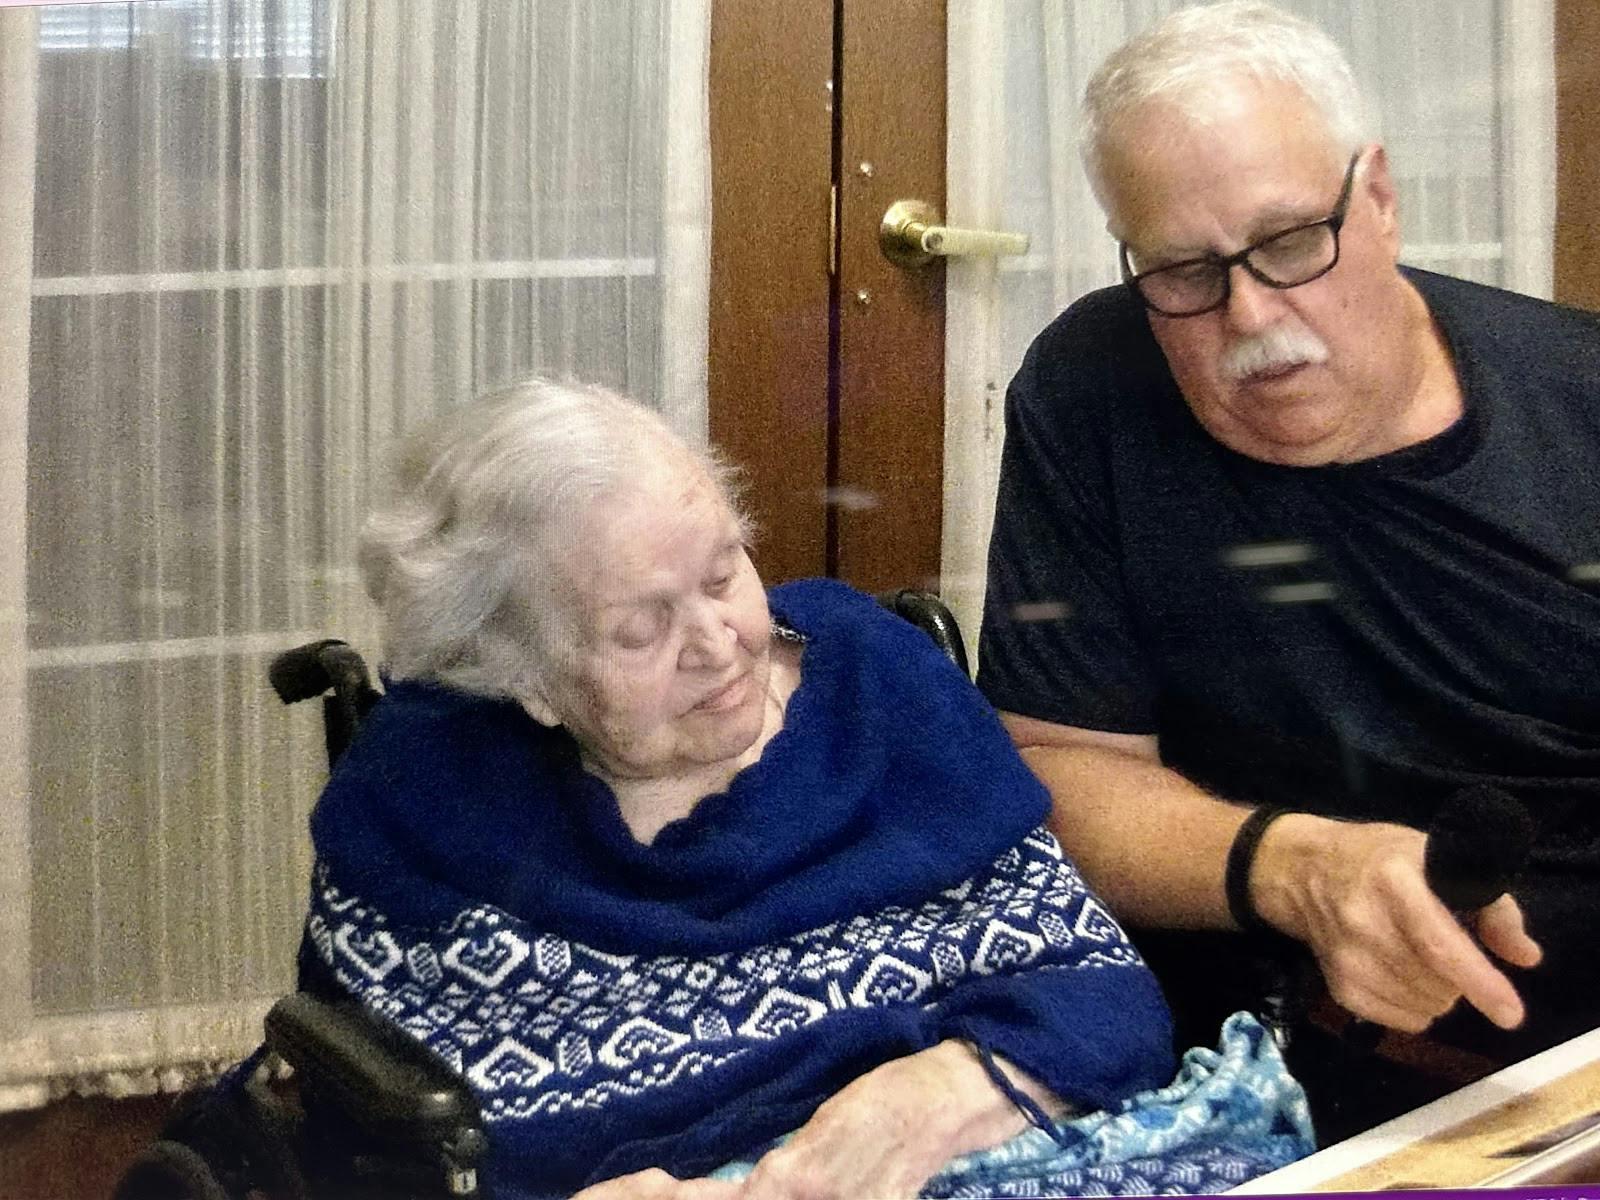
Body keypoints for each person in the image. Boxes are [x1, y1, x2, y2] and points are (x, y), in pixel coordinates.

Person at [301, 379, 1309, 1198]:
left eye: (722, 571)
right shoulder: (429, 802)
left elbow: (1096, 991)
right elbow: (374, 1134)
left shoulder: (877, 687)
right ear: (520, 675)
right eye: (640, 629)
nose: (718, 642)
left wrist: (946, 1088)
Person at [977, 0, 1600, 1135]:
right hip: (1235, 1062)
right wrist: (1300, 869)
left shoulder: (1580, 408)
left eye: (1289, 243)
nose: (1252, 318)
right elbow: (1048, 773)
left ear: (1379, 196)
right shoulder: (1091, 390)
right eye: (1181, 271)